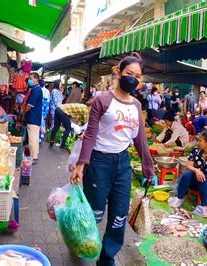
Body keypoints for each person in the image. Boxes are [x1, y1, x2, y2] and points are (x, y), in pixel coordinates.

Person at [70, 53, 155, 266]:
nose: (132, 79)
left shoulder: (136, 105)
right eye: (129, 74)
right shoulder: (102, 100)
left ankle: (107, 258)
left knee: (119, 214)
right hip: (99, 162)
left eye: (137, 76)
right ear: (118, 72)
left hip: (122, 163)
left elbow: (140, 138)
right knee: (95, 212)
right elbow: (90, 134)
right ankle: (80, 242)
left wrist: (148, 168)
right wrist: (81, 164)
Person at [168, 130, 207, 217]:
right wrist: (197, 171)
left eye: (200, 141)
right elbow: (189, 166)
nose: (198, 143)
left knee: (203, 179)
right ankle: (179, 198)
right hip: (194, 181)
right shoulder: (196, 150)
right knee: (187, 174)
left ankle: (204, 207)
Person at [22, 73, 43, 164]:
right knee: (34, 137)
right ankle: (35, 155)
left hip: (33, 117)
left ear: (36, 79)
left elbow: (30, 105)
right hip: (35, 117)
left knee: (32, 138)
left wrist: (23, 113)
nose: (29, 81)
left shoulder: (36, 90)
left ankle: (33, 157)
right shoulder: (35, 89)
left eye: (31, 79)